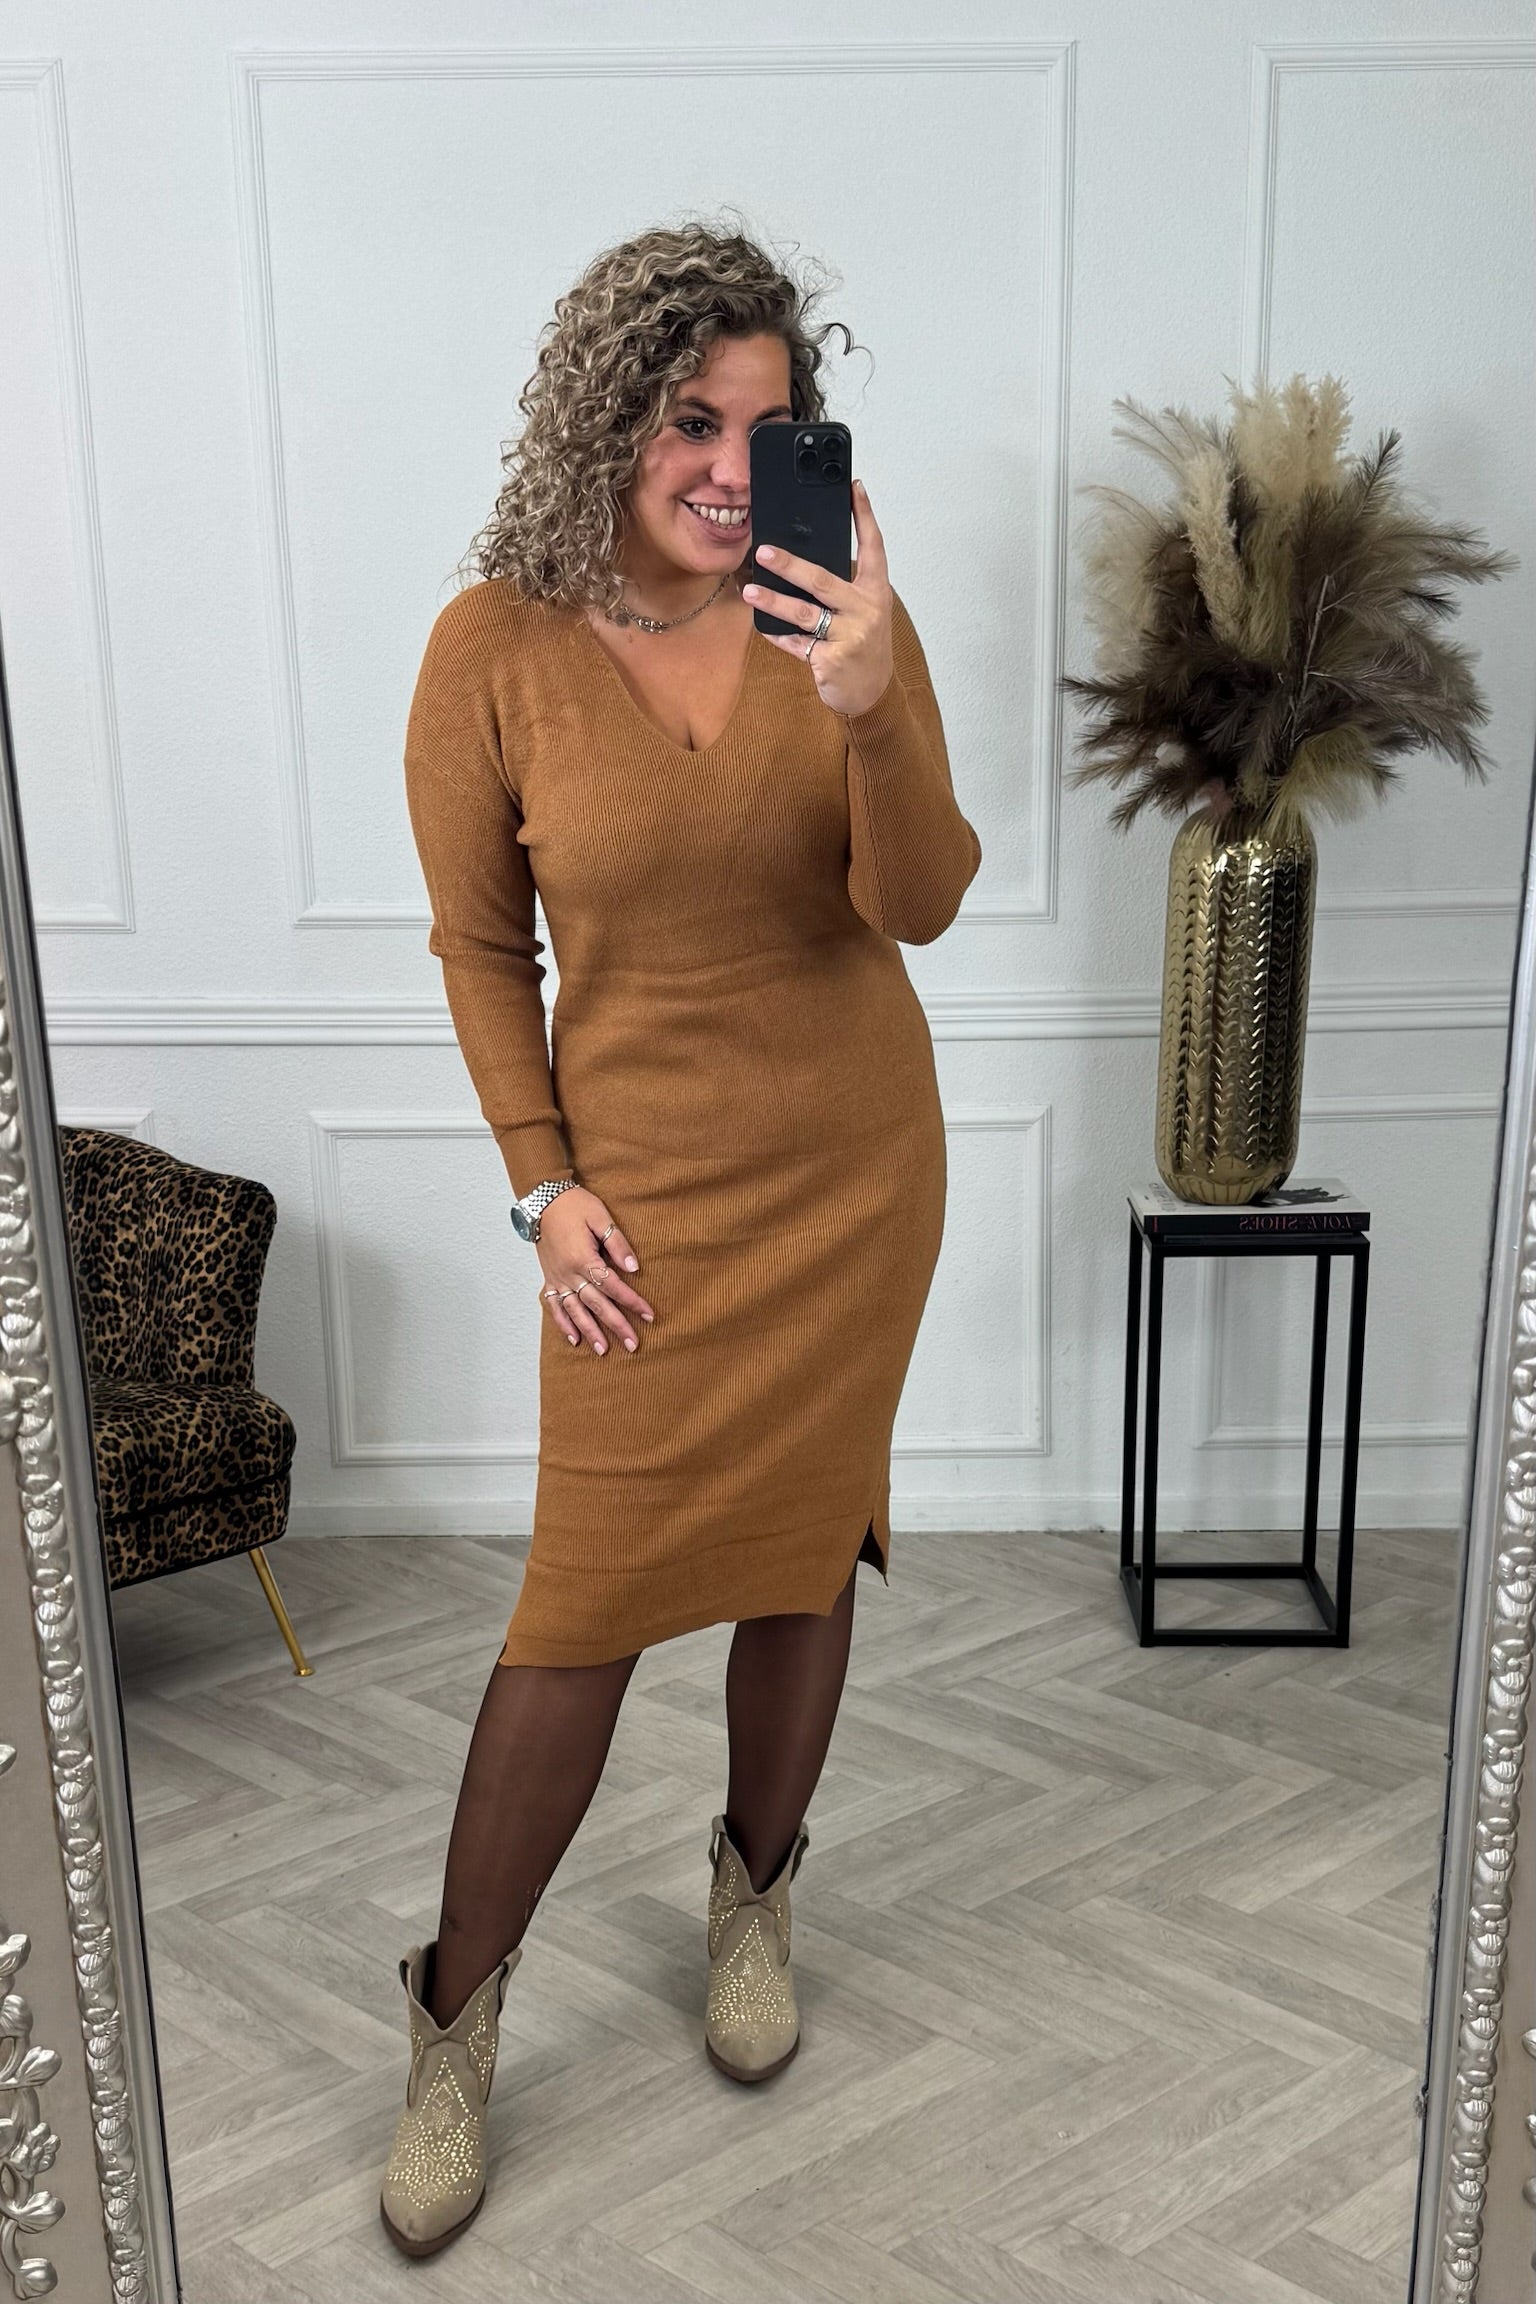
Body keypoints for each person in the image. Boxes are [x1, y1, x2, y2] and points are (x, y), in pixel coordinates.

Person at [380, 219, 982, 2258]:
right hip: (637, 1219)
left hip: (853, 1180)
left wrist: (875, 701)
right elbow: (482, 948)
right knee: (582, 1612)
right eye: (692, 420)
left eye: (769, 425)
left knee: (805, 1555)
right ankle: (452, 2021)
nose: (734, 467)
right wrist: (543, 1188)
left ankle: (756, 1896)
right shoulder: (492, 649)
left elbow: (919, 902)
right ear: (607, 417)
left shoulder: (838, 616)